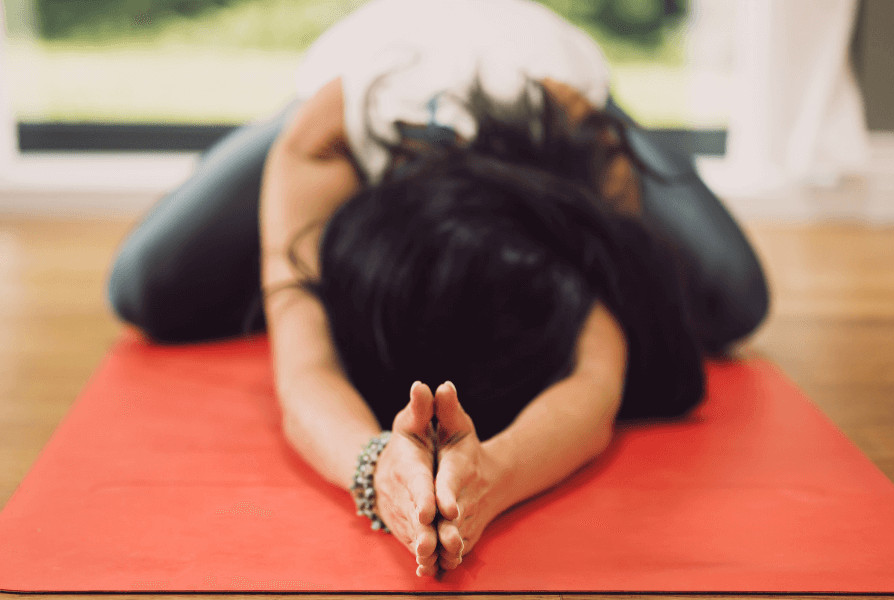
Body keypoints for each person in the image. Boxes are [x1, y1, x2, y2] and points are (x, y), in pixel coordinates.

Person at [107, 0, 768, 579]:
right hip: (358, 64)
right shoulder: (326, 138)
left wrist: (489, 479)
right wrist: (375, 471)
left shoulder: (576, 140)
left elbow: (599, 375)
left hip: (551, 68)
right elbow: (303, 367)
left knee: (734, 299)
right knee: (144, 291)